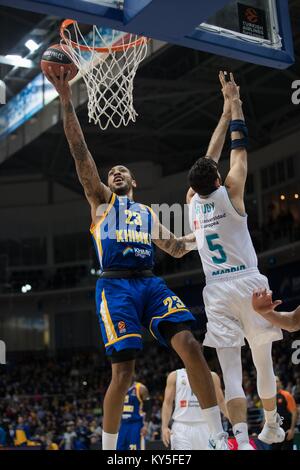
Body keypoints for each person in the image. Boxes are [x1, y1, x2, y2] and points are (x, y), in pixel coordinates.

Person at [44, 66, 228, 451]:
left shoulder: (147, 214)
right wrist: (65, 99)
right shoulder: (99, 203)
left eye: (122, 170)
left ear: (134, 182)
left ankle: (215, 432)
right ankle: (109, 451)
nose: (115, 172)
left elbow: (176, 247)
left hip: (149, 282)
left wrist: (207, 233)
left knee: (191, 345)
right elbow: (80, 152)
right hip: (114, 285)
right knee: (124, 373)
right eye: (111, 171)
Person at [187, 71, 285, 449]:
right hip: (247, 281)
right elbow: (239, 149)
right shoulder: (231, 193)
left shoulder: (192, 203)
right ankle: (273, 425)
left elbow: (207, 160)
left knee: (230, 371)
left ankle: (240, 441)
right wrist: (235, 103)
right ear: (217, 179)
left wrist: (223, 113)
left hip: (215, 289)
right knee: (263, 362)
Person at [161, 369, 229, 450]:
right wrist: (164, 427)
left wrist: (234, 422)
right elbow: (167, 403)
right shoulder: (175, 376)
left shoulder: (212, 376)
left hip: (206, 426)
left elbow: (221, 401)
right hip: (181, 427)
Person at [117, 380, 150, 450]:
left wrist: (146, 426)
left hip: (136, 424)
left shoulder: (141, 388)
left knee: (134, 448)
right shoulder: (119, 389)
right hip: (123, 425)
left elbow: (148, 409)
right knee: (119, 448)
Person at [271, 376, 298, 450]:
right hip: (274, 432)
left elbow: (294, 412)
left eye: (277, 381)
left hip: (287, 431)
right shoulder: (270, 397)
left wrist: (292, 429)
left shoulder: (286, 395)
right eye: (273, 381)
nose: (275, 383)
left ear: (280, 383)